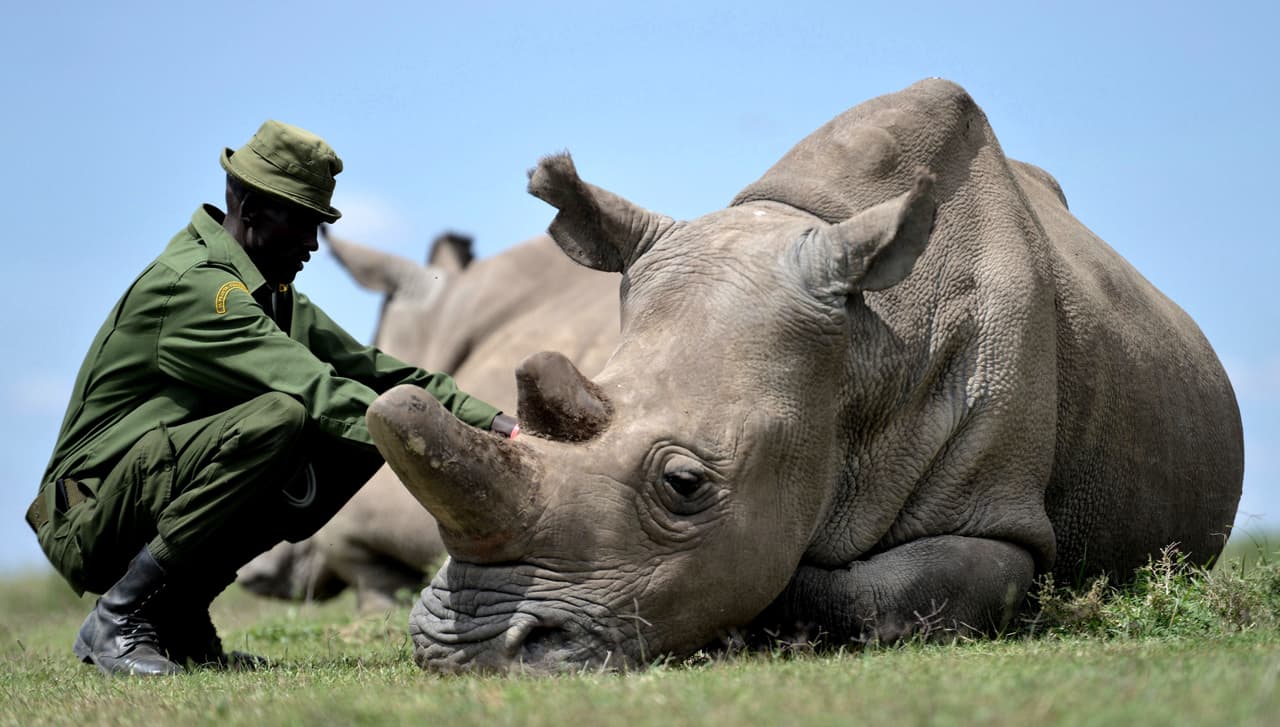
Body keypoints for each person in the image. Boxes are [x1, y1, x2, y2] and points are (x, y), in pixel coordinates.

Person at [25, 120, 518, 676]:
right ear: (253, 208)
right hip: (88, 516)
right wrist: (457, 459)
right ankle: (120, 616)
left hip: (141, 491)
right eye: (303, 222)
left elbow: (381, 375)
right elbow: (317, 389)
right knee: (283, 418)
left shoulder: (273, 296)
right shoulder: (195, 288)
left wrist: (502, 429)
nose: (312, 243)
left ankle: (180, 617)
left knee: (363, 431)